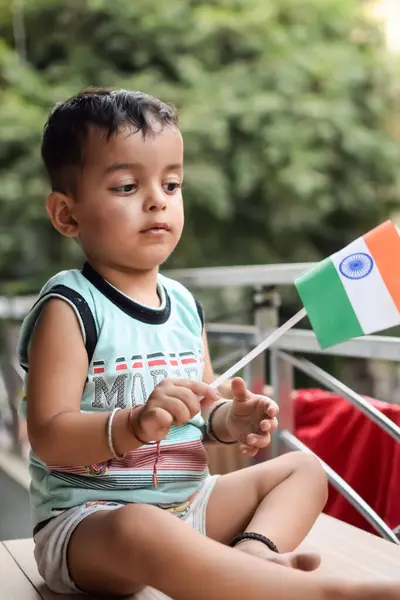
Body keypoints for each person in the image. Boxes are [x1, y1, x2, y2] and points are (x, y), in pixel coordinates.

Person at [17, 88, 400, 600]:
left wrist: (228, 420)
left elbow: (201, 410)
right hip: (91, 525)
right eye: (127, 186)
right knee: (140, 527)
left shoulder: (182, 303)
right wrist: (133, 424)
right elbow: (49, 434)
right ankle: (319, 594)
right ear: (67, 214)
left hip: (188, 506)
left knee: (305, 469)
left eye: (171, 184)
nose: (157, 199)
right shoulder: (71, 307)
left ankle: (253, 556)